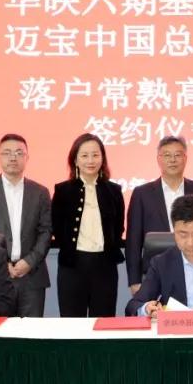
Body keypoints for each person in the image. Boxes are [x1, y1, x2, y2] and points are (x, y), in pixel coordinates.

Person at [0, 134, 52, 317]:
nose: (13, 158)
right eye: (7, 153)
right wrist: (2, 263)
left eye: (19, 153)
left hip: (32, 277)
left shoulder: (40, 192)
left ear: (27, 157)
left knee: (31, 332)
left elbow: (46, 231)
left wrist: (29, 262)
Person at [52, 133, 126, 317]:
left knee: (102, 323)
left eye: (95, 155)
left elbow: (118, 228)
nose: (90, 160)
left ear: (103, 158)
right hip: (72, 267)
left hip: (105, 267)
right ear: (75, 160)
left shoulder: (114, 191)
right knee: (72, 324)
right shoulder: (62, 191)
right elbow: (57, 228)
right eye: (84, 155)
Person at [125, 135, 193, 295]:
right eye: (167, 155)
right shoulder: (142, 193)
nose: (173, 160)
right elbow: (133, 240)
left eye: (178, 155)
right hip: (154, 273)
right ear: (158, 159)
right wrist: (134, 280)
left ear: (185, 158)